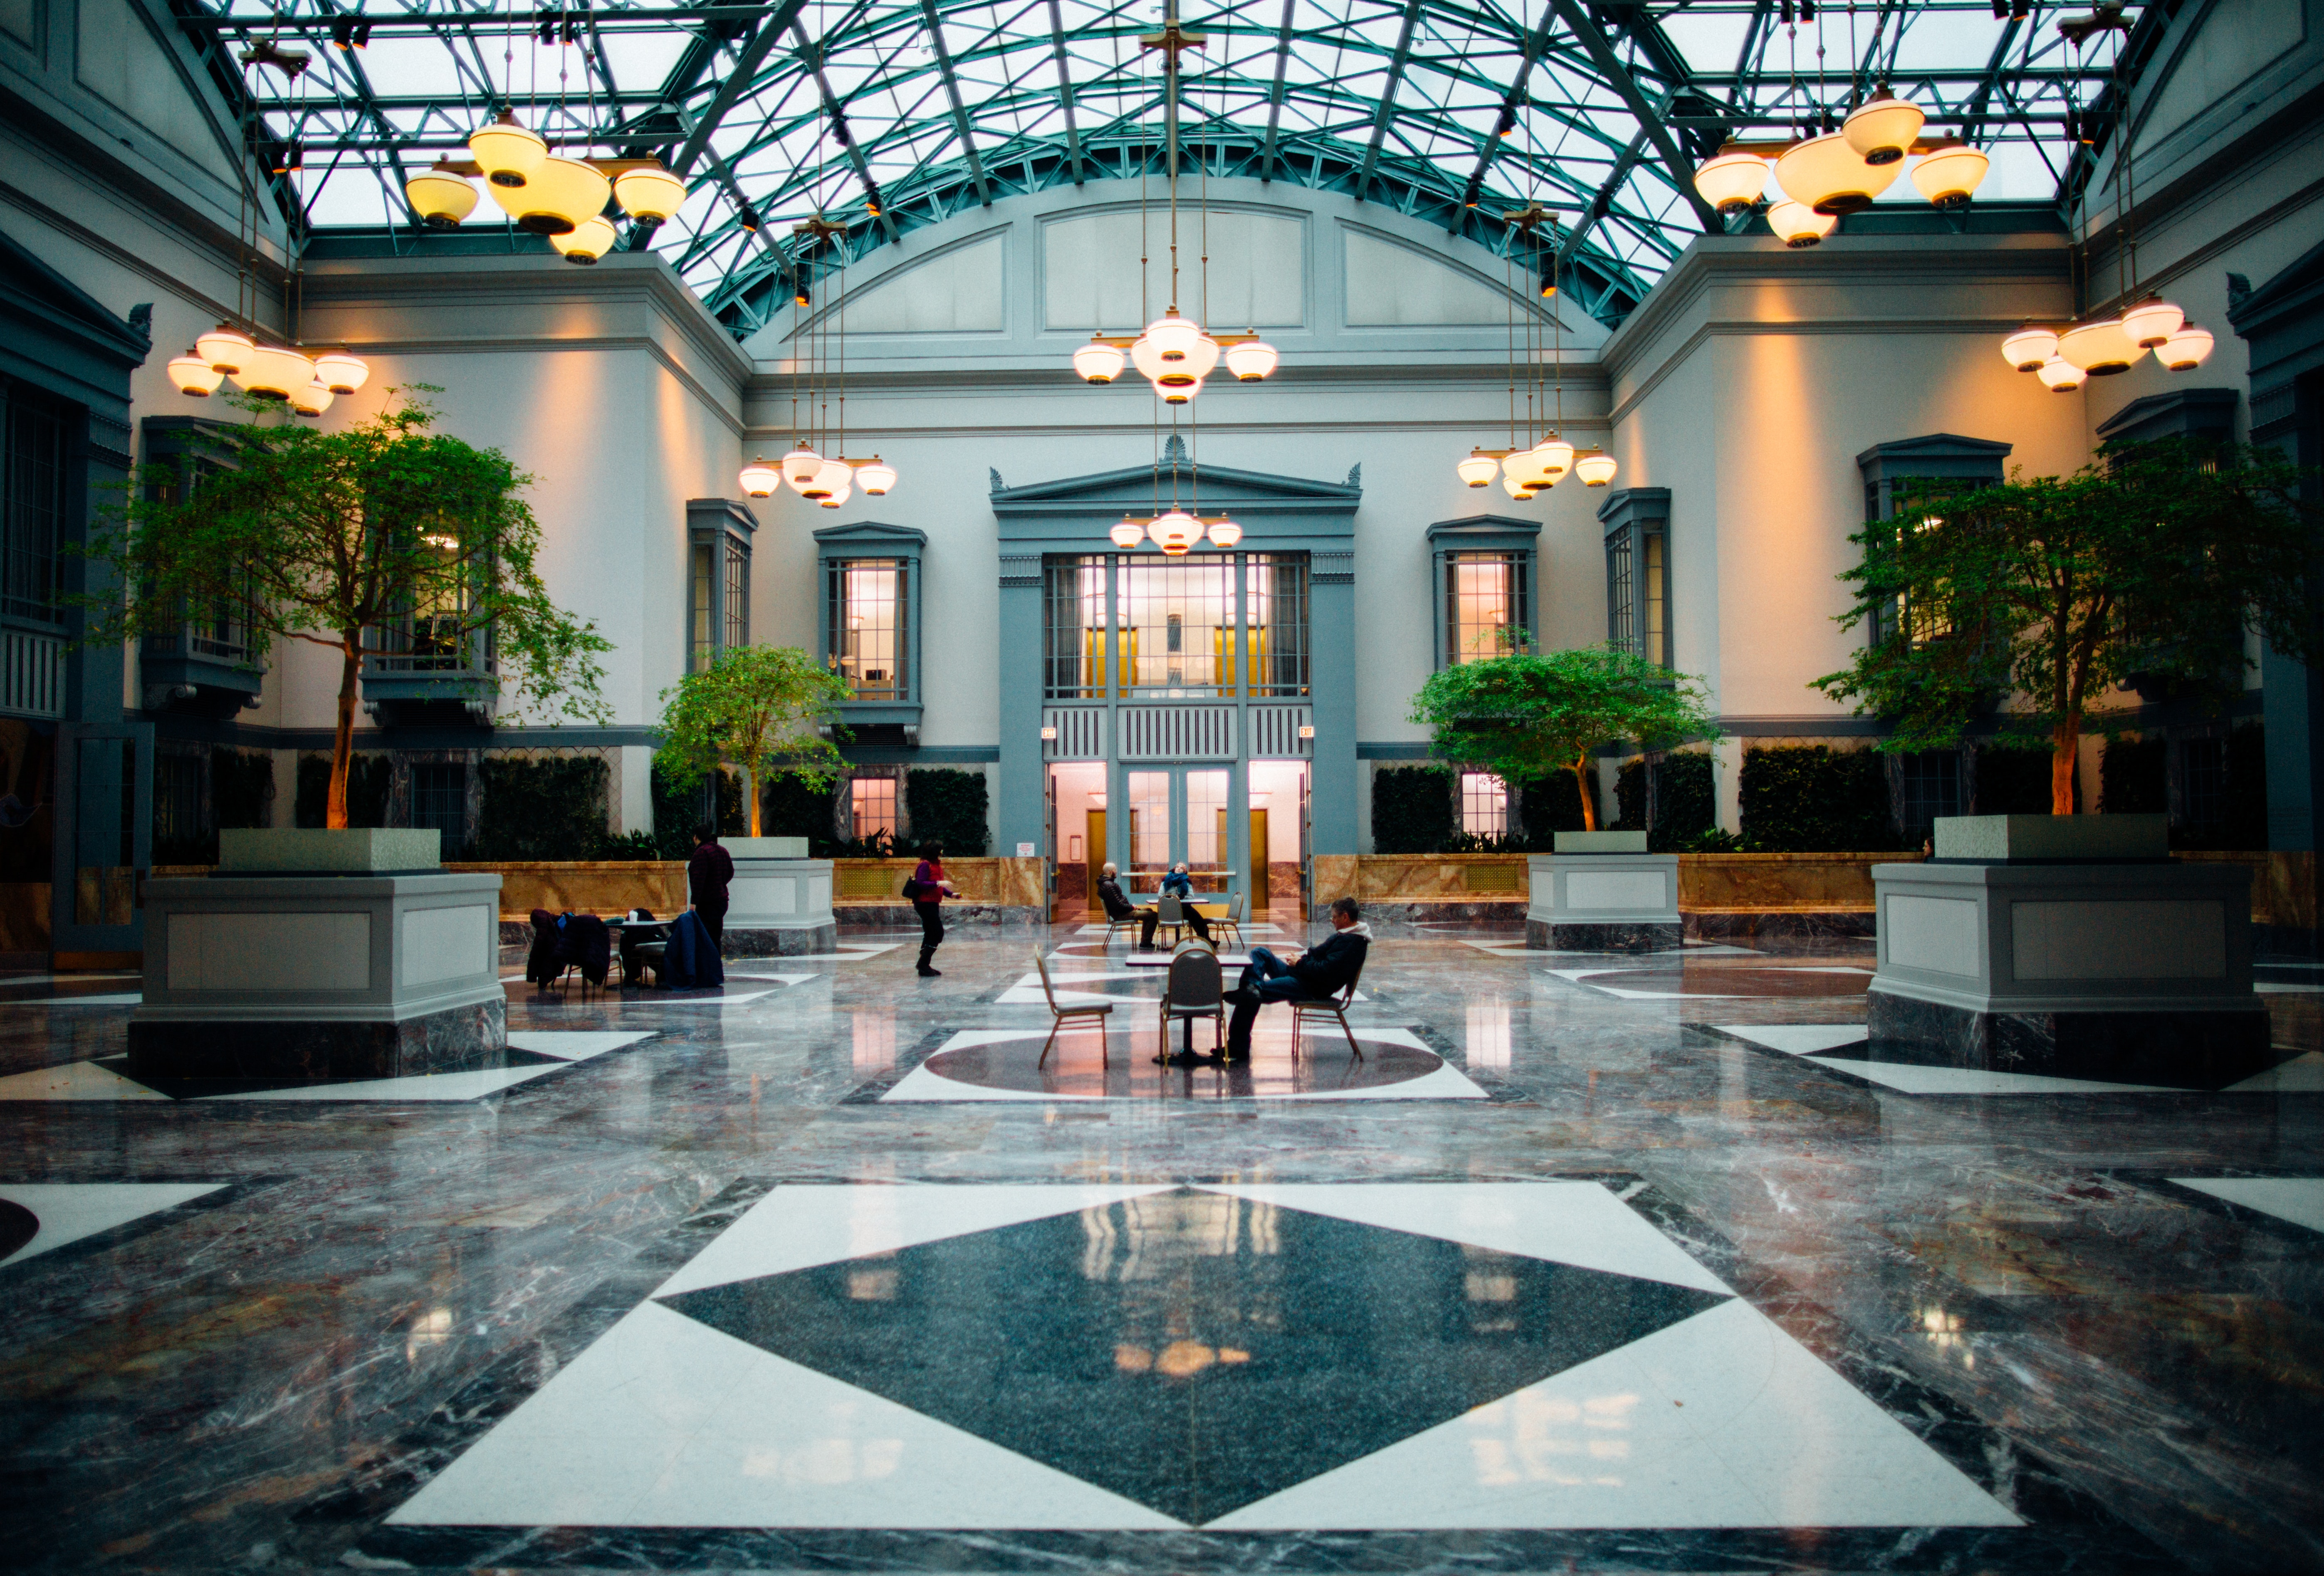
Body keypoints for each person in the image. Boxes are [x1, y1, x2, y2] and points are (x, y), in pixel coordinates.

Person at [1221, 896, 1372, 1061]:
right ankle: (1251, 988)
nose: (1332, 920)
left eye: (1334, 917)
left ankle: (1238, 1047)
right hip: (1303, 976)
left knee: (1253, 995)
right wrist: (1301, 960)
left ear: (1345, 917)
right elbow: (1316, 954)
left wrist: (1300, 962)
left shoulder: (1352, 943)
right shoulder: (1346, 935)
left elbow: (1324, 970)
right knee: (1260, 953)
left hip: (1310, 987)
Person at [1141, 861, 1213, 950]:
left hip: (1183, 911)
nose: (1179, 868)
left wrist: (1183, 897)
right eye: (1177, 867)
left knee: (1193, 914)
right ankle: (1206, 939)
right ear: (1174, 869)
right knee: (1193, 914)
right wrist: (1171, 898)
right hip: (1168, 911)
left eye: (1181, 868)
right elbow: (1160, 895)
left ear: (1184, 872)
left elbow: (1191, 898)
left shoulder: (1187, 882)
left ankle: (1206, 938)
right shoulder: (1165, 880)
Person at [912, 841, 957, 977]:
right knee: (937, 933)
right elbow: (921, 884)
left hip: (932, 903)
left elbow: (938, 887)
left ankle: (924, 964)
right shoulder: (925, 865)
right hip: (924, 903)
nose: (942, 853)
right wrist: (939, 883)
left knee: (931, 933)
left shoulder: (937, 866)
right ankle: (923, 963)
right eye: (940, 851)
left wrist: (951, 895)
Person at [686, 824, 734, 948]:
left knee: (705, 938)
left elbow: (699, 879)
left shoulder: (702, 853)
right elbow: (730, 872)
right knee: (715, 936)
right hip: (722, 900)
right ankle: (715, 964)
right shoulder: (722, 850)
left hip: (707, 903)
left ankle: (709, 965)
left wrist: (693, 903)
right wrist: (720, 884)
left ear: (696, 837)